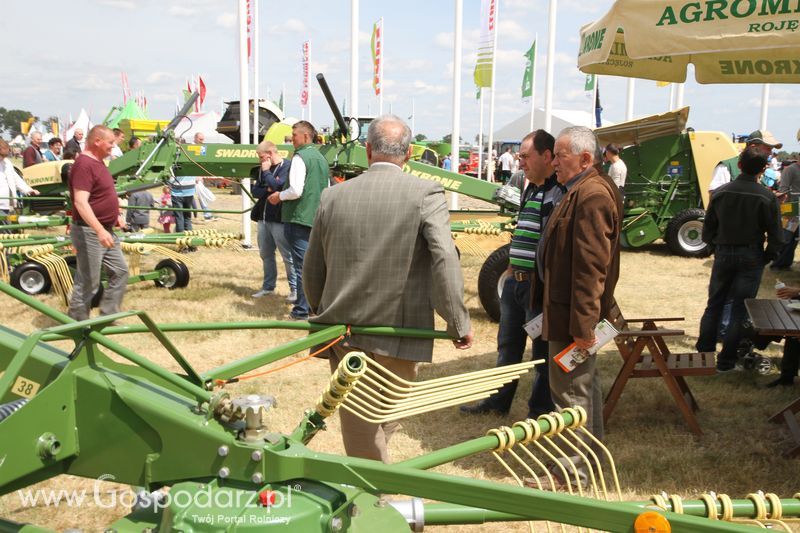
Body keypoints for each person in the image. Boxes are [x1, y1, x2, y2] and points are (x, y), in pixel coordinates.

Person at [304, 114, 473, 462]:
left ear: (367, 150)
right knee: (371, 420)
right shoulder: (426, 192)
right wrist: (457, 321)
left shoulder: (333, 196)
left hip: (345, 328)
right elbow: (444, 256)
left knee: (370, 420)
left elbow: (312, 267)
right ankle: (374, 496)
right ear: (409, 153)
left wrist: (318, 309)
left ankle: (371, 486)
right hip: (402, 329)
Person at [538, 125, 622, 488]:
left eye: (561, 156)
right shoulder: (582, 189)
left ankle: (571, 475)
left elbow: (591, 269)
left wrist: (584, 328)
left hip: (574, 317)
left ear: (586, 159)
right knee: (582, 390)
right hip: (571, 314)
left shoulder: (591, 195)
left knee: (571, 395)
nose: (554, 162)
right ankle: (588, 462)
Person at [461, 130, 558, 419]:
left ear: (547, 156)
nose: (520, 162)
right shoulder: (531, 187)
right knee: (507, 348)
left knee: (541, 353)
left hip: (536, 289)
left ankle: (539, 412)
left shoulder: (558, 192)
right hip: (516, 286)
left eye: (526, 156)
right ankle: (498, 402)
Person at [696, 146, 783, 373]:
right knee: (740, 309)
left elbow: (708, 230)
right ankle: (726, 361)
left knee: (714, 303)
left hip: (725, 252)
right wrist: (766, 257)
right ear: (763, 170)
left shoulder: (721, 193)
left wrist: (717, 246)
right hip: (751, 254)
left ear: (740, 165)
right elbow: (776, 235)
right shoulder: (766, 197)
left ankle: (703, 357)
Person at [267, 120, 329, 320]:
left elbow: (295, 190)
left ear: (305, 136)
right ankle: (316, 307)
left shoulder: (300, 157)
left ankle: (302, 310)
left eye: (294, 135)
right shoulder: (321, 158)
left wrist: (278, 196)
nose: (291, 139)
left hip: (299, 218)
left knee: (302, 267)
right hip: (316, 218)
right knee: (316, 265)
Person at [67, 125, 129, 321]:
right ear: (97, 141)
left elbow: (100, 194)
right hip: (90, 232)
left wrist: (115, 215)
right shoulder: (84, 165)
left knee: (120, 272)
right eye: (110, 143)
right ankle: (78, 325)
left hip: (105, 229)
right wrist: (100, 230)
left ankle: (108, 316)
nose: (113, 146)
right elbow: (80, 202)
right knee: (88, 282)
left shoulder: (99, 162)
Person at [251, 140, 296, 302]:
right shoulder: (263, 169)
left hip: (279, 219)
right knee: (265, 254)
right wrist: (269, 188)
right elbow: (255, 191)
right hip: (263, 219)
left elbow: (278, 186)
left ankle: (295, 289)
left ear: (270, 154)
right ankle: (268, 287)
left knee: (287, 255)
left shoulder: (287, 167)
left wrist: (269, 177)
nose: (260, 160)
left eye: (261, 157)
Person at [708, 130, 782, 196]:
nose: (770, 153)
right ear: (753, 147)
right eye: (768, 149)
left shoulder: (763, 169)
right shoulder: (727, 166)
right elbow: (715, 195)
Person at [0, 139, 40, 230]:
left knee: (6, 232)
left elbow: (16, 179)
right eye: (2, 155)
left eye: (5, 155)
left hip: (5, 204)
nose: (3, 158)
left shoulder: (7, 163)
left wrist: (28, 190)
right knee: (6, 232)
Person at [771, 157, 800, 271]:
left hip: (797, 209)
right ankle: (777, 264)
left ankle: (786, 263)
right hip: (790, 208)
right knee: (786, 237)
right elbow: (783, 190)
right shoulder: (790, 170)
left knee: (795, 239)